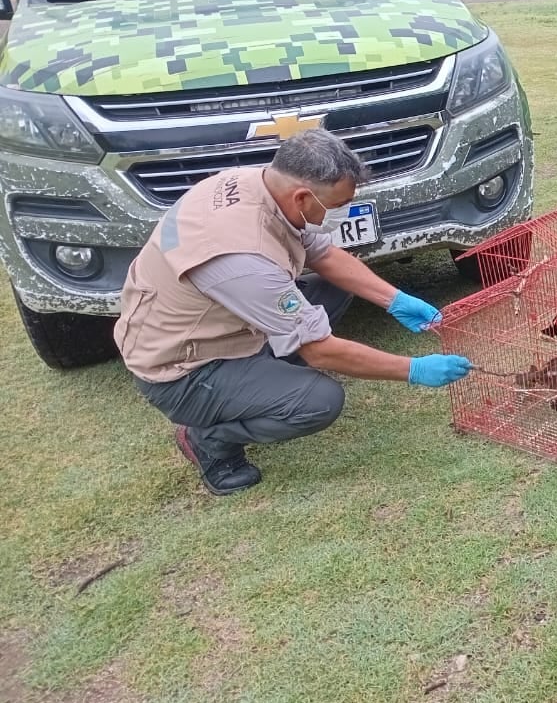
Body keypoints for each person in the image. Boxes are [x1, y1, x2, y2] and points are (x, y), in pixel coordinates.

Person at [113, 128, 473, 496]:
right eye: (337, 207)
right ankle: (208, 439)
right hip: (185, 370)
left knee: (336, 285)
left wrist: (394, 299)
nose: (342, 214)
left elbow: (324, 254)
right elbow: (320, 349)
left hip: (219, 318)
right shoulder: (243, 258)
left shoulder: (260, 185)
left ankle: (266, 376)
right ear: (302, 196)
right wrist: (414, 370)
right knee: (320, 402)